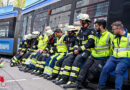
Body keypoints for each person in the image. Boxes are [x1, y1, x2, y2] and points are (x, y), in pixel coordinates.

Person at [66, 19, 113, 89]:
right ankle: (78, 83)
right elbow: (93, 44)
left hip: (102, 57)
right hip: (93, 55)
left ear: (101, 26)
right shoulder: (97, 35)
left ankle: (85, 83)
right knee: (84, 68)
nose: (95, 27)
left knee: (92, 71)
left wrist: (110, 58)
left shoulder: (110, 35)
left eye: (96, 26)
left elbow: (113, 48)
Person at [55, 13, 96, 85]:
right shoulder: (81, 30)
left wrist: (79, 50)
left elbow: (90, 42)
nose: (80, 22)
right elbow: (77, 41)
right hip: (79, 50)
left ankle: (72, 81)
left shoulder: (91, 30)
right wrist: (76, 48)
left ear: (84, 21)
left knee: (77, 59)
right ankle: (64, 79)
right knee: (68, 59)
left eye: (81, 20)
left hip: (87, 50)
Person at [98, 21, 130, 90]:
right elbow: (111, 48)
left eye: (113, 29)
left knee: (118, 71)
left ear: (119, 29)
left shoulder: (129, 37)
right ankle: (100, 87)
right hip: (113, 58)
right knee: (105, 69)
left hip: (125, 59)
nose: (112, 31)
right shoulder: (113, 37)